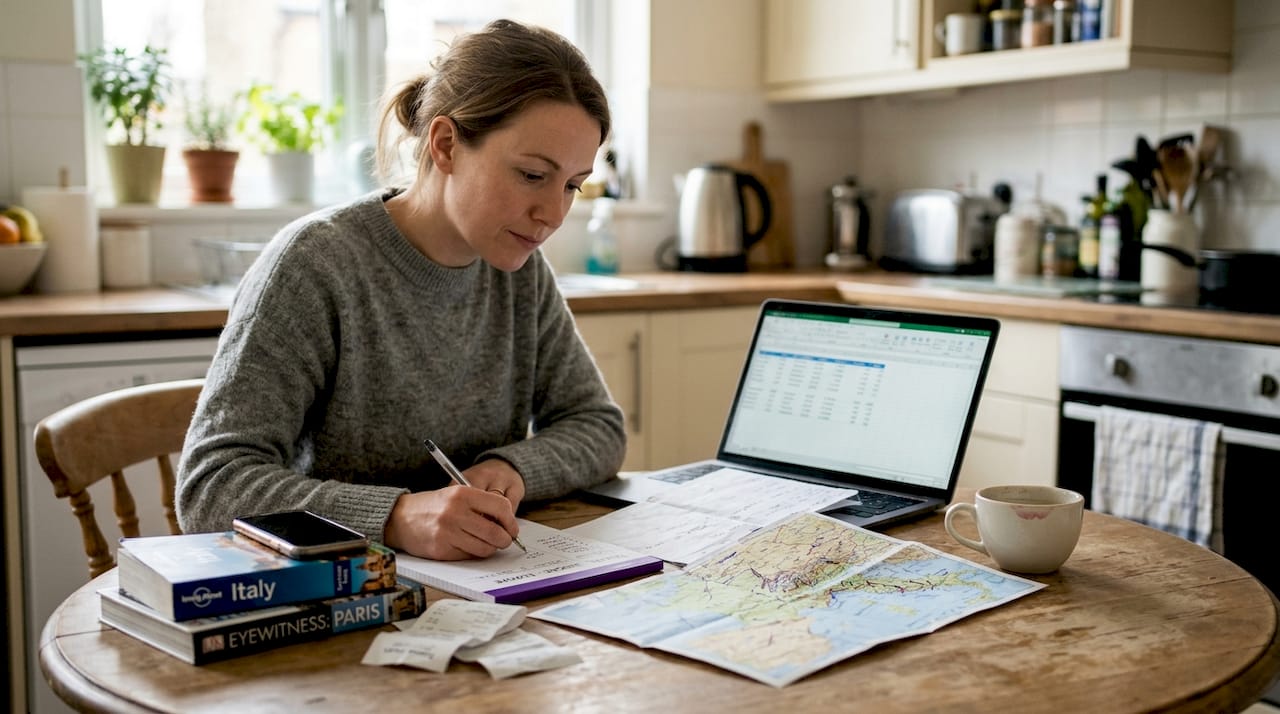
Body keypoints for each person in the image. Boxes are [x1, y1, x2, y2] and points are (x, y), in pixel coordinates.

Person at [176, 19, 624, 561]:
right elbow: (212, 485)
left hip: (468, 595)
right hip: (330, 598)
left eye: (572, 185)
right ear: (445, 145)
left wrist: (512, 468)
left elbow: (597, 426)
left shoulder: (520, 269)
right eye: (532, 175)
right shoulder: (315, 265)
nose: (553, 213)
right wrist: (395, 517)